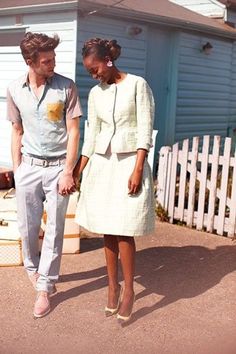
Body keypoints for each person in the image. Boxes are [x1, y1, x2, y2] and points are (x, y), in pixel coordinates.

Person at [74, 38, 155, 323]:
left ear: (108, 60)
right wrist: (78, 169)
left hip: (128, 162)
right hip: (103, 164)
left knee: (124, 228)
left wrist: (137, 169)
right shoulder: (96, 94)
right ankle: (112, 286)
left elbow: (145, 129)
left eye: (95, 68)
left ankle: (130, 289)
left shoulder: (137, 85)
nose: (93, 75)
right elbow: (91, 134)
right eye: (89, 71)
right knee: (106, 228)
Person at [6, 32, 82, 318]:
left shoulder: (66, 87)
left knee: (55, 229)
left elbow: (74, 131)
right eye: (46, 61)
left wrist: (68, 172)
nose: (53, 64)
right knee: (27, 227)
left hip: (58, 169)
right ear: (30, 62)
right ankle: (33, 270)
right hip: (29, 167)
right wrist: (18, 169)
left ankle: (45, 287)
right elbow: (16, 131)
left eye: (53, 59)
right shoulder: (14, 89)